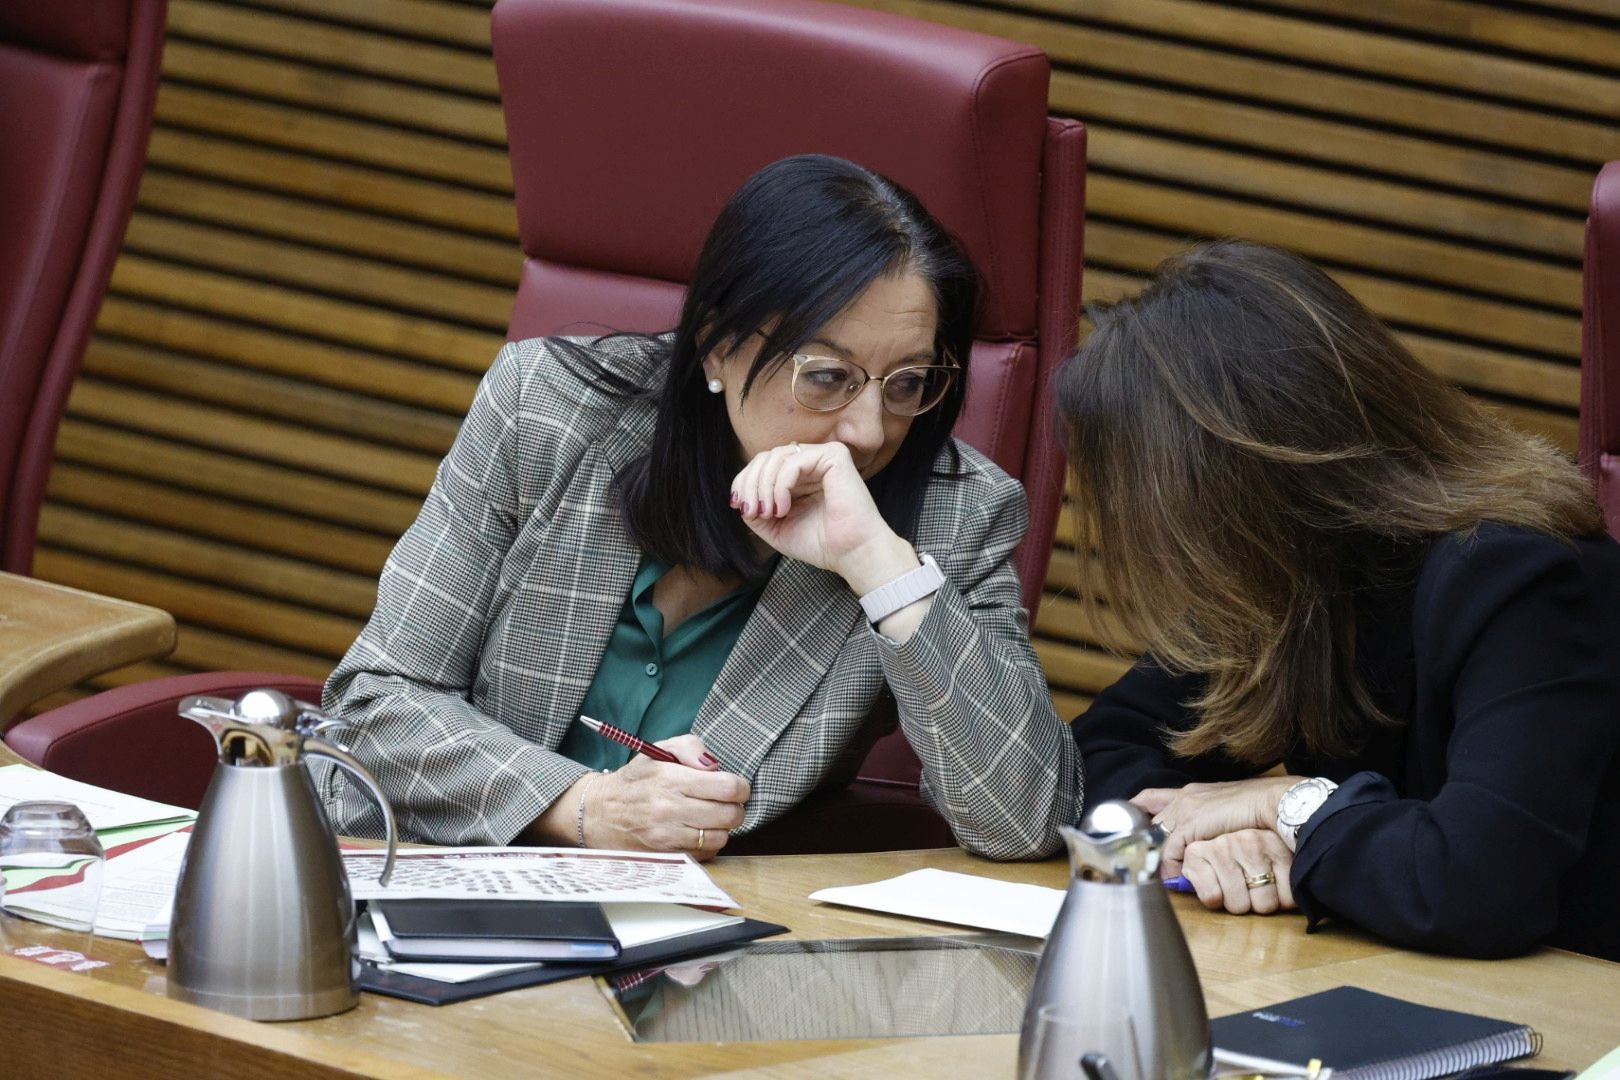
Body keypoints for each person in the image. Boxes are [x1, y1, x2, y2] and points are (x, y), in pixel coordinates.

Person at [319, 154, 1076, 862]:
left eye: (906, 383)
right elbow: (377, 704)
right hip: (441, 883)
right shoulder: (547, 411)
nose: (870, 431)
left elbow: (1024, 819)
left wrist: (879, 565)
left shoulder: (953, 516)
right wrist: (585, 807)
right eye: (826, 377)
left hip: (702, 952)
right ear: (716, 344)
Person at [1059, 239, 1620, 961]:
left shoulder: (1524, 577)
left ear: (1243, 481)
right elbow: (1095, 758)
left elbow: (1478, 884)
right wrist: (1210, 837)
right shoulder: (1287, 578)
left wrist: (1286, 806)